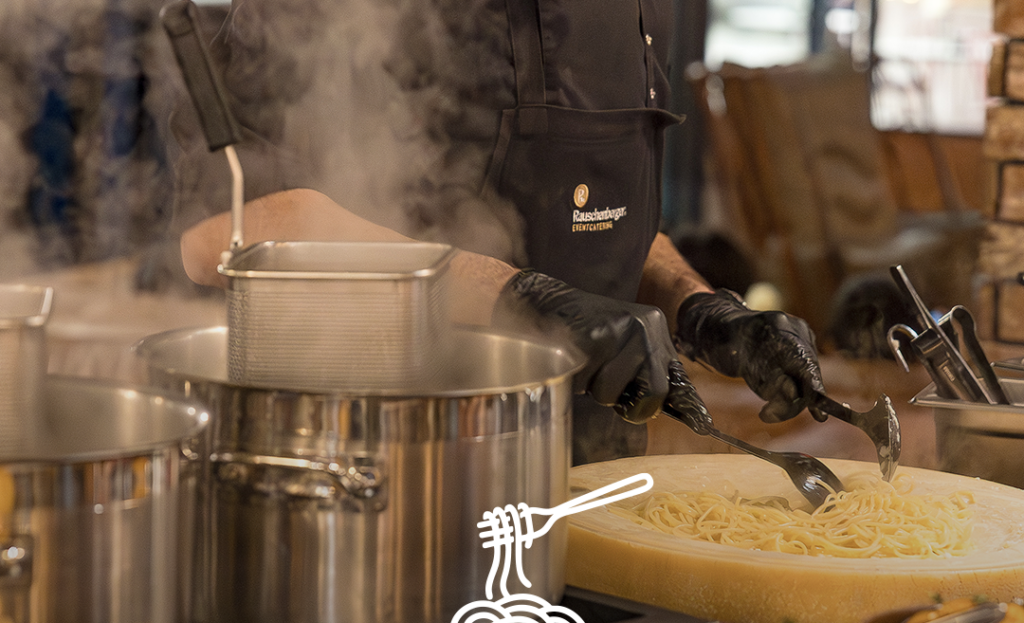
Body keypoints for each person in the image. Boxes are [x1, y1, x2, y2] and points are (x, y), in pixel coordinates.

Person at [172, 0, 825, 464]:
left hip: (595, 487)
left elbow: (593, 214)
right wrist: (516, 297)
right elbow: (220, 232)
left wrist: (698, 308)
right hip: (394, 484)